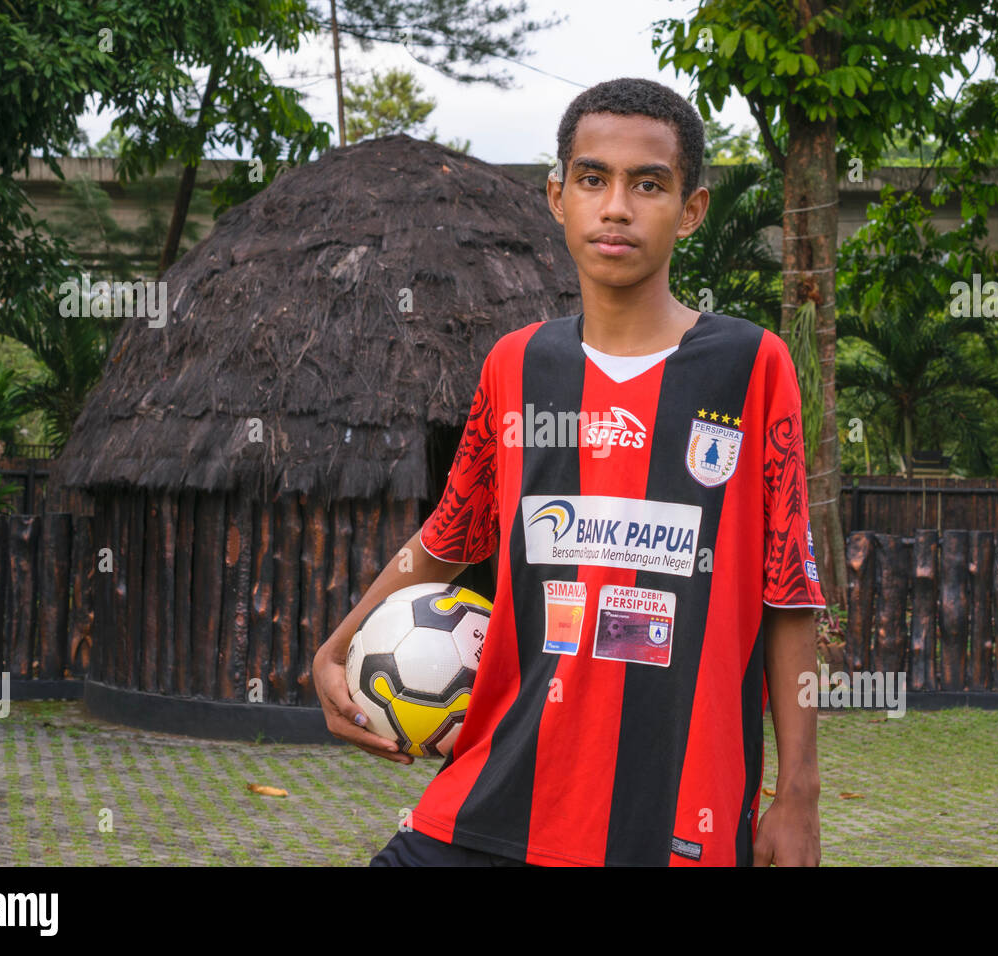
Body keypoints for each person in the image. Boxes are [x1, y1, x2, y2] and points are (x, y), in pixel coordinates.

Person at [314, 76, 825, 867]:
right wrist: (337, 649)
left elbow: (787, 589)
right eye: (593, 179)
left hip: (672, 815)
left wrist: (798, 795)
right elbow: (450, 535)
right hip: (495, 795)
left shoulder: (752, 366)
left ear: (691, 210)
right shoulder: (515, 366)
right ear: (558, 197)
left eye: (647, 184)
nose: (616, 206)